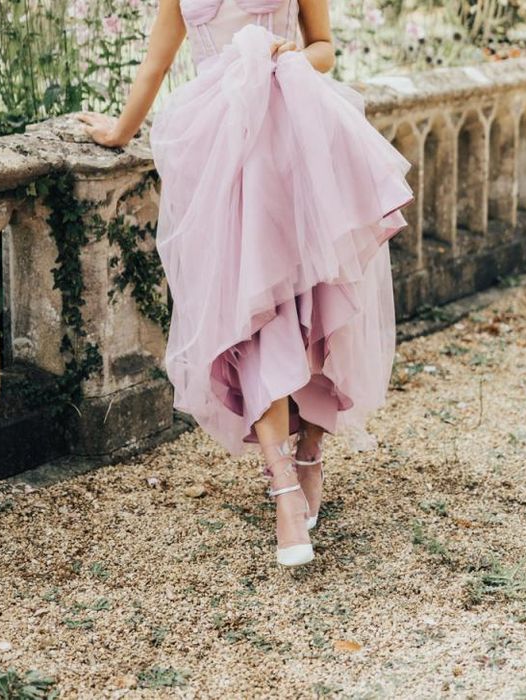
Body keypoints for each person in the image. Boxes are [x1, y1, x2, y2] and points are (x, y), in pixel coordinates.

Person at [78, 0, 414, 568]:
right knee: (252, 318)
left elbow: (325, 48)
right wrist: (119, 131)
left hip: (293, 142)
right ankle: (282, 485)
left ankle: (309, 450)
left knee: (310, 301)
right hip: (224, 154)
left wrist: (291, 56)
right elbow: (156, 66)